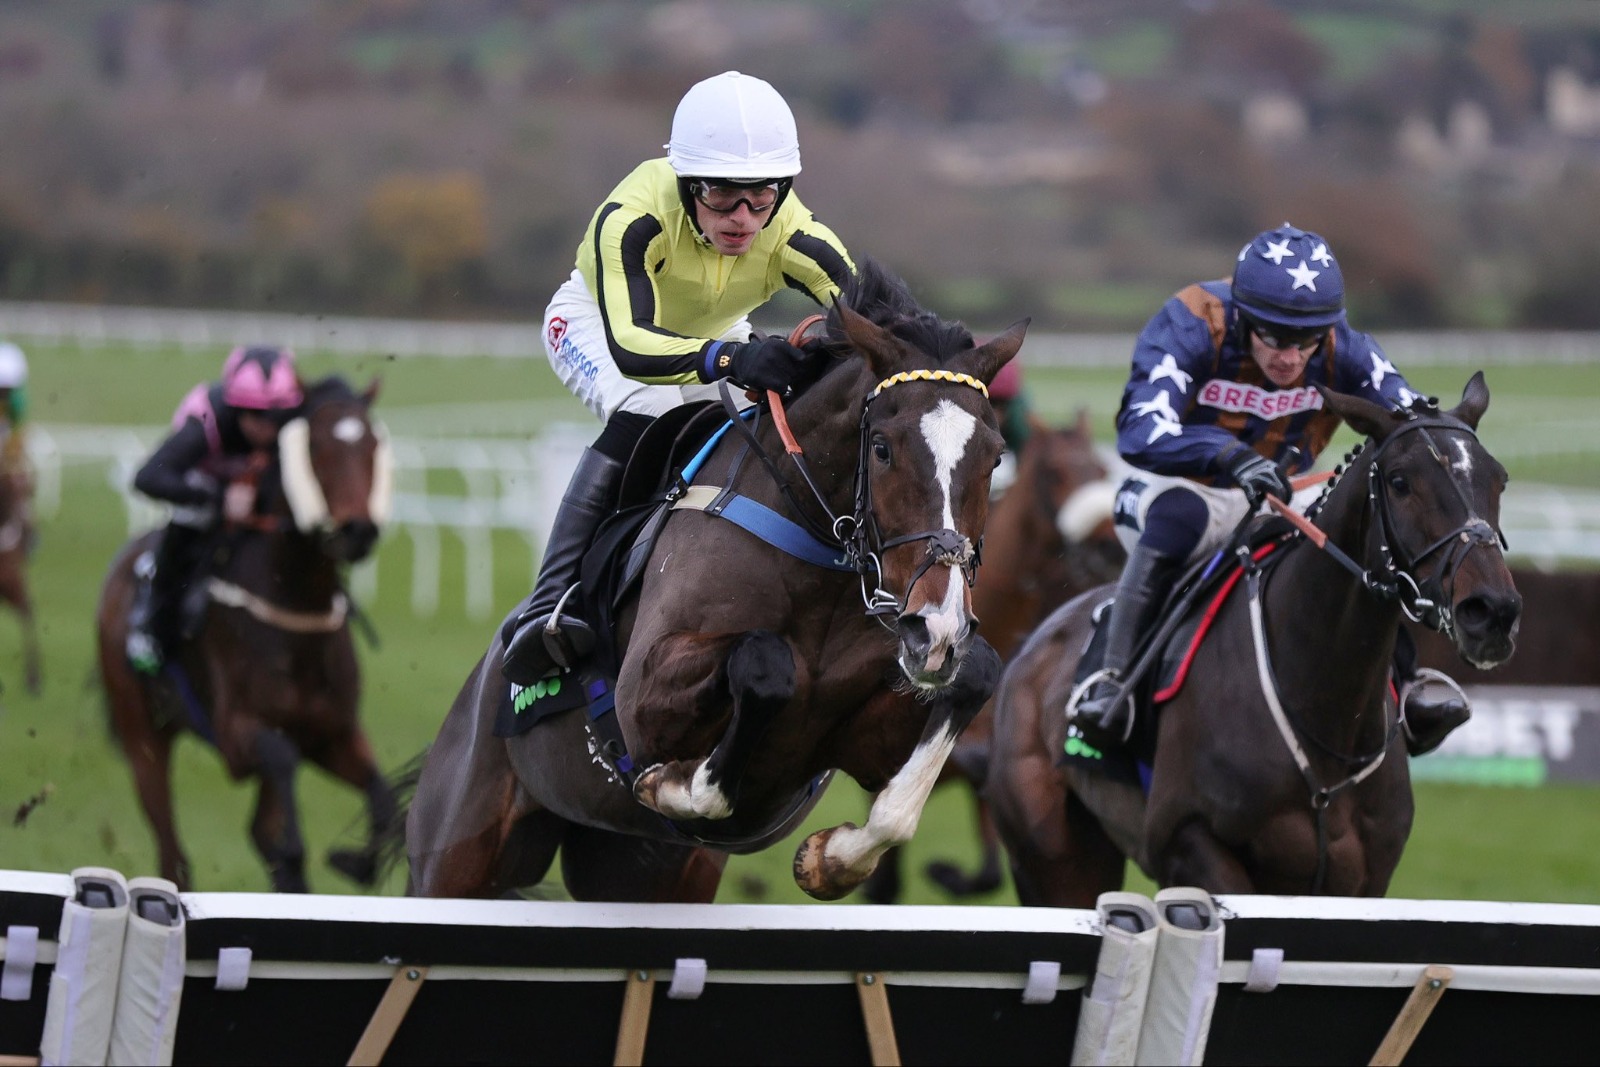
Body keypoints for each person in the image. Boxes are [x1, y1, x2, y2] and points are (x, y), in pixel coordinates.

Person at [499, 71, 856, 685]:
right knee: (652, 404)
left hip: (716, 329)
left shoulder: (795, 231)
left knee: (752, 424)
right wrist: (734, 359)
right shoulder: (632, 218)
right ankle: (547, 604)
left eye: (760, 197)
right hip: (599, 324)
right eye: (721, 196)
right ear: (688, 185)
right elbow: (634, 346)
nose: (743, 218)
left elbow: (871, 318)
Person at [1069, 223, 1470, 757]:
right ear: (1244, 316)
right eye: (1275, 339)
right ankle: (1111, 684)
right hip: (1178, 481)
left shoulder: (1341, 344)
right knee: (1182, 519)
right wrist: (1227, 454)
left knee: (1364, 537)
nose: (1289, 357)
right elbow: (1140, 431)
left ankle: (1409, 682)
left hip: (1285, 487)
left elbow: (1405, 412)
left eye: (1305, 343)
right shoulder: (1191, 322)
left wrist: (1449, 434)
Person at [125, 344, 303, 674]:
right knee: (193, 521)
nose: (269, 428)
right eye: (258, 416)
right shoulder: (205, 421)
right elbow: (148, 477)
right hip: (203, 483)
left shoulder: (287, 423)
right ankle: (152, 625)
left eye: (277, 418)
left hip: (254, 486)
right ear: (237, 409)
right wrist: (218, 500)